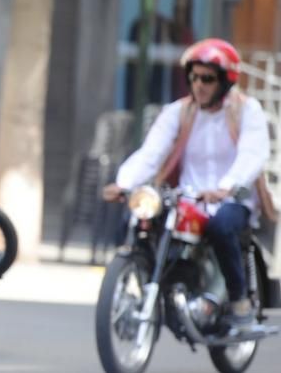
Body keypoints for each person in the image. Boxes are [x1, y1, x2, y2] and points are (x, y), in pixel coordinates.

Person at [102, 38, 272, 329]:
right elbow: (151, 152)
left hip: (231, 199)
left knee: (221, 227)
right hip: (187, 200)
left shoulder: (247, 110)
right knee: (137, 217)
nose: (199, 85)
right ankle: (142, 282)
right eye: (194, 77)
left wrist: (226, 186)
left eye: (207, 78)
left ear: (225, 80)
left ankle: (239, 301)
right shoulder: (178, 111)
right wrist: (124, 182)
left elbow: (253, 154)